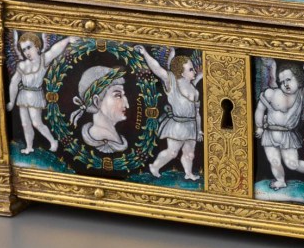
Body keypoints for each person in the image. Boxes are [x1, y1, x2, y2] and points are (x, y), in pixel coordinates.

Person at [255, 63, 304, 189]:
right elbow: (260, 108)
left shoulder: (301, 94)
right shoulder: (272, 93)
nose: (285, 84)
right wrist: (259, 126)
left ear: (298, 79)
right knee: (274, 161)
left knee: (292, 164)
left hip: (288, 136)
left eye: (288, 79)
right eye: (282, 82)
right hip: (270, 134)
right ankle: (280, 180)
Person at [135, 46, 203, 181]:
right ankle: (154, 166)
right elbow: (156, 68)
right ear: (181, 72)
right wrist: (144, 53)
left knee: (189, 154)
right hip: (177, 125)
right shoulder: (171, 81)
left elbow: (197, 113)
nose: (194, 71)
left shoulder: (194, 90)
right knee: (172, 152)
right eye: (190, 69)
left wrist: (199, 130)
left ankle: (188, 173)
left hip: (191, 126)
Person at [7, 33, 77, 154]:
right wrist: (11, 102)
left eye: (29, 47)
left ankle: (53, 141)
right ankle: (29, 147)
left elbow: (55, 50)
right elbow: (14, 83)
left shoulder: (43, 59)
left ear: (37, 46)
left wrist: (67, 40)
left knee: (36, 123)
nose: (27, 52)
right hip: (23, 95)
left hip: (35, 96)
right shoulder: (22, 65)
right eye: (24, 50)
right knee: (25, 124)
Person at [69, 66, 130, 154]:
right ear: (96, 102)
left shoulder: (116, 136)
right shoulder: (98, 134)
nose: (127, 105)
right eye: (118, 96)